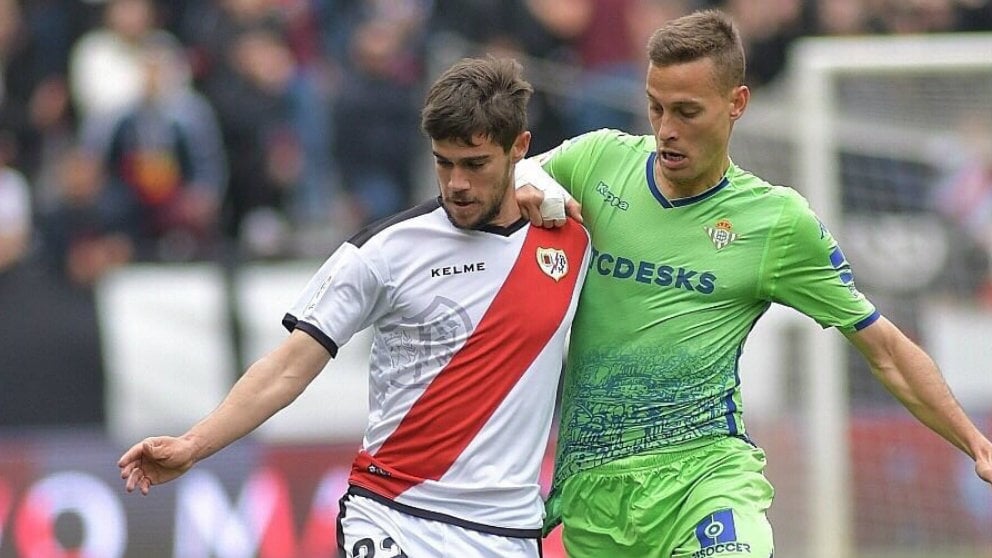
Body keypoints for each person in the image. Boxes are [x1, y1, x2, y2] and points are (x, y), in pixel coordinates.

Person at [514, 9, 992, 558]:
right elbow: (505, 172)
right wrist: (524, 184)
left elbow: (883, 348)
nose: (666, 129)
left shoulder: (775, 223)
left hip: (707, 480)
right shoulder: (597, 160)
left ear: (736, 103)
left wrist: (975, 442)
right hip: (596, 494)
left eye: (688, 111)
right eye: (655, 107)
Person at [118, 56, 591, 557]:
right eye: (443, 162)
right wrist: (192, 446)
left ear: (519, 149)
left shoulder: (572, 240)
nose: (456, 183)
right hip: (394, 514)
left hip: (507, 535)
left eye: (475, 165)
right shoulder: (385, 251)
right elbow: (285, 369)